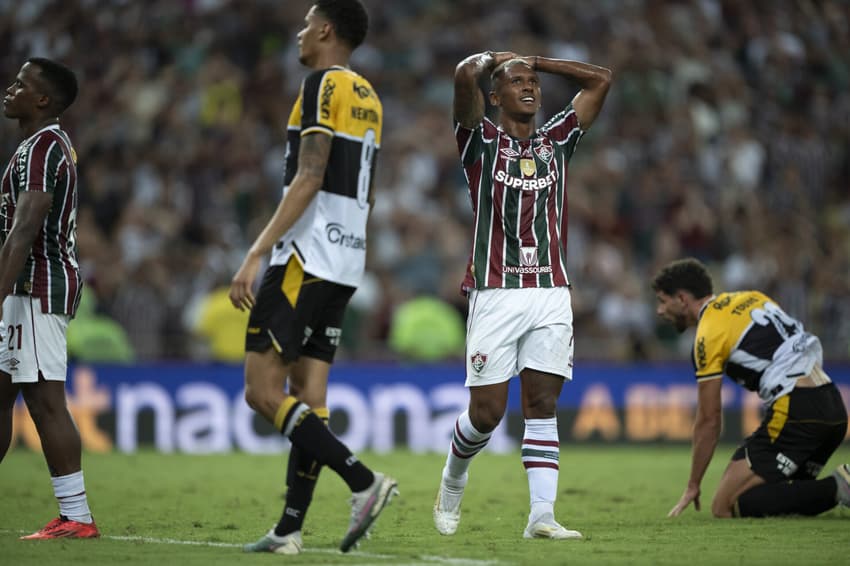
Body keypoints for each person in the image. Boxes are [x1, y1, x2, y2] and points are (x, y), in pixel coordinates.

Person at [228, 0, 396, 555]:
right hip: (347, 258)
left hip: (306, 257)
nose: (299, 34)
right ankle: (289, 529)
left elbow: (310, 173)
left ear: (325, 30)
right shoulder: (369, 95)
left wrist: (257, 251)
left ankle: (364, 481)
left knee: (261, 391)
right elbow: (365, 191)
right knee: (310, 396)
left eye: (305, 24)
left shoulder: (324, 83)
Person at [433, 51, 611, 539]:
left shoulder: (558, 139)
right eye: (517, 81)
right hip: (496, 292)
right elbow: (462, 74)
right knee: (487, 413)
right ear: (495, 97)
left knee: (542, 403)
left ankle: (541, 516)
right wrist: (492, 60)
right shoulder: (479, 140)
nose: (529, 86)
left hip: (551, 290)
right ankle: (453, 477)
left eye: (533, 81)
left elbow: (601, 79)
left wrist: (537, 61)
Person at [652, 258, 850, 518]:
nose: (659, 310)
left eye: (662, 301)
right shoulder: (752, 298)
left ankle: (841, 484)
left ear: (681, 299)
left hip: (797, 408)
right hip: (831, 404)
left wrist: (693, 484)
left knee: (724, 506)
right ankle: (835, 488)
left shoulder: (707, 334)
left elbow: (709, 420)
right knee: (781, 499)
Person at [0, 57, 99, 539]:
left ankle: (77, 515)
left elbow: (24, 230)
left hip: (37, 286)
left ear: (42, 100)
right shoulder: (35, 146)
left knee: (45, 400)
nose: (10, 89)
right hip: (23, 288)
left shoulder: (42, 147)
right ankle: (75, 514)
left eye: (21, 84)